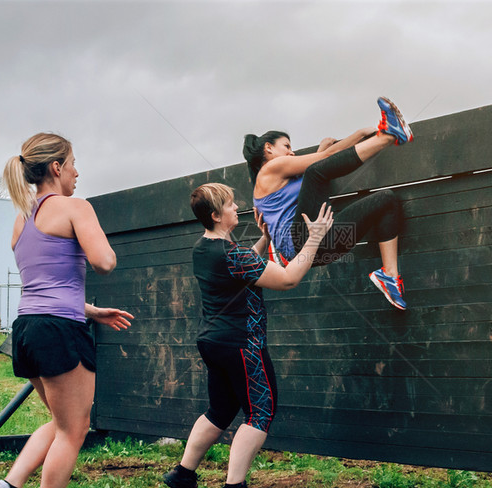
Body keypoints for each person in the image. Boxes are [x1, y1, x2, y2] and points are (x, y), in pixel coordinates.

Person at [162, 183, 333, 488]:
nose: (236, 207)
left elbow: (241, 268)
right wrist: (316, 238)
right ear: (216, 215)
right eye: (229, 204)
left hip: (214, 343)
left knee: (220, 411)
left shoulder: (203, 248)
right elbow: (289, 279)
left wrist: (265, 238)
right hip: (242, 344)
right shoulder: (231, 254)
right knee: (260, 414)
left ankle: (182, 475)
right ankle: (234, 485)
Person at [0, 133, 134, 488]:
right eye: (72, 165)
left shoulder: (21, 222)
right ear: (57, 167)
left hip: (27, 330)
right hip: (58, 331)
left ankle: (8, 484)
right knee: (74, 431)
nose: (76, 173)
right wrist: (98, 242)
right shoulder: (75, 207)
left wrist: (92, 311)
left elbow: (43, 288)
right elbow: (104, 262)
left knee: (62, 422)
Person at [244, 96, 414, 310]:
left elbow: (326, 162)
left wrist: (323, 152)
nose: (291, 151)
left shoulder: (282, 178)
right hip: (301, 244)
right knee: (317, 171)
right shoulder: (270, 169)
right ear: (268, 148)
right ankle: (389, 137)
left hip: (319, 246)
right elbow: (323, 163)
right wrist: (361, 134)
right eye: (286, 146)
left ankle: (390, 277)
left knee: (386, 200)